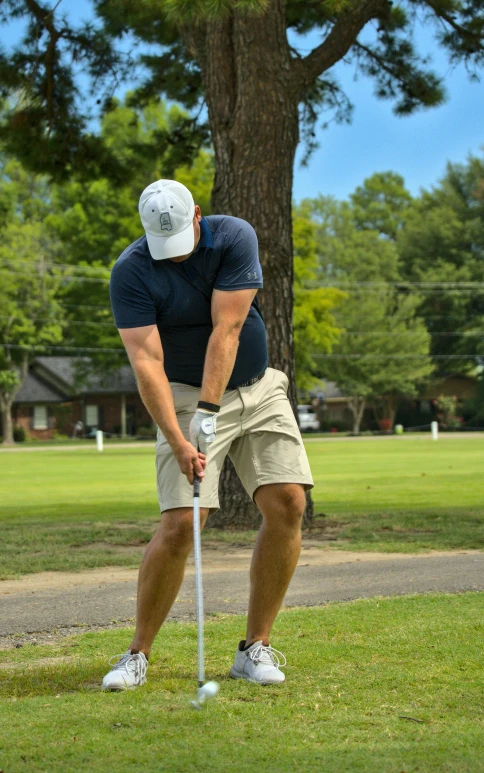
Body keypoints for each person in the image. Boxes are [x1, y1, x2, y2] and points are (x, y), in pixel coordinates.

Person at [102, 179, 313, 691]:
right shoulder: (130, 271)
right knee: (182, 522)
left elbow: (228, 330)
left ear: (198, 214)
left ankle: (254, 647)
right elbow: (147, 362)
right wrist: (180, 438)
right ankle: (136, 655)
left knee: (288, 502)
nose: (172, 259)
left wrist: (211, 412)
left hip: (257, 388)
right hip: (178, 391)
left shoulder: (235, 236)